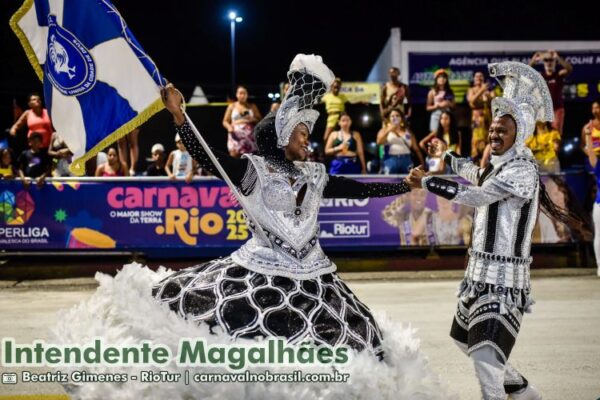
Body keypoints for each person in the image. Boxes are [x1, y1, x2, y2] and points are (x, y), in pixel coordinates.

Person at [49, 55, 451, 399]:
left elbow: (356, 187)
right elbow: (207, 157)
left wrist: (403, 184)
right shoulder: (252, 170)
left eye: (309, 133)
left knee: (353, 340)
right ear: (281, 134)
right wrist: (179, 116)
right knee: (236, 332)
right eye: (302, 132)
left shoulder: (314, 174)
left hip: (316, 278)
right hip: (258, 273)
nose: (307, 140)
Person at [408, 61, 584, 400]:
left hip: (504, 280)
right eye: (492, 129)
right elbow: (478, 177)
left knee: (486, 359)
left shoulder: (523, 171)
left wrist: (427, 181)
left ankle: (511, 394)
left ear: (520, 133)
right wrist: (448, 155)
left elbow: (476, 195)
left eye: (502, 130)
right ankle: (524, 393)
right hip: (480, 274)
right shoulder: (501, 167)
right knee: (464, 338)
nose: (493, 134)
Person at [529, 50, 573, 134]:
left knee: (555, 135)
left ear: (555, 62)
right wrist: (533, 61)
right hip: (543, 109)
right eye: (546, 60)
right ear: (543, 62)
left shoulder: (559, 75)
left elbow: (569, 69)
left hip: (557, 109)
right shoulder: (540, 76)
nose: (549, 62)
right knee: (542, 134)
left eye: (551, 60)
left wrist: (557, 58)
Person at [376, 109, 424, 174]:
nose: (395, 117)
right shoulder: (384, 130)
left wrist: (422, 162)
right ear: (389, 118)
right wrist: (388, 130)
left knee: (408, 181)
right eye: (392, 116)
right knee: (390, 182)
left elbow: (416, 149)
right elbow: (379, 142)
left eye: (397, 115)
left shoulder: (408, 131)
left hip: (406, 159)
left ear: (401, 118)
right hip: (391, 159)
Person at [222, 85, 262, 158]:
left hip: (249, 138)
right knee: (234, 157)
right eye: (240, 93)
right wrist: (229, 127)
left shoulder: (252, 106)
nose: (242, 95)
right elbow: (225, 121)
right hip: (235, 137)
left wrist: (253, 119)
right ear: (237, 94)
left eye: (244, 93)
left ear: (247, 94)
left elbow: (260, 120)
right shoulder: (232, 106)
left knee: (250, 159)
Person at [467, 71, 494, 161]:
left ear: (484, 79)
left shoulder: (490, 90)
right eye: (476, 76)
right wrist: (481, 90)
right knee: (477, 139)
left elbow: (495, 102)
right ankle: (477, 161)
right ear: (474, 79)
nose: (478, 78)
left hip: (488, 118)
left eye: (481, 76)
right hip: (477, 120)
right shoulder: (471, 90)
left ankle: (488, 160)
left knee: (489, 138)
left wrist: (489, 96)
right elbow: (472, 101)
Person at [584, 131, 600, 277]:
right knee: (599, 235)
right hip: (599, 204)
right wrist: (588, 136)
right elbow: (591, 153)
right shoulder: (598, 165)